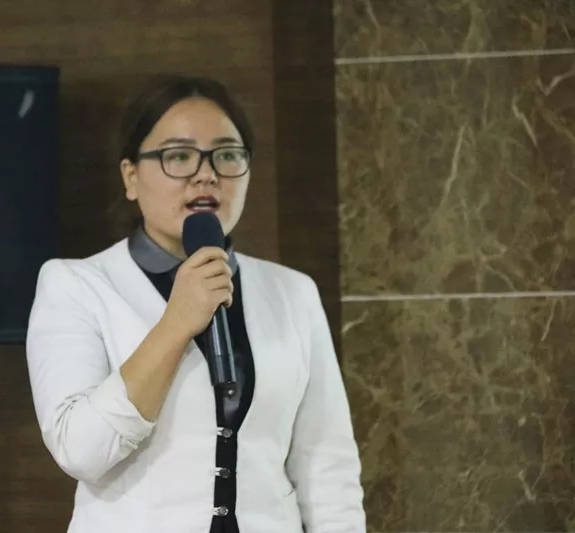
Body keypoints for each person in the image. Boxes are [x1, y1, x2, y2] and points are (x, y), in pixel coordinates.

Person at [25, 74, 366, 533]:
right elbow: (80, 450)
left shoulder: (293, 291)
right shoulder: (77, 285)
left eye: (227, 155)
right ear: (131, 176)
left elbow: (327, 466)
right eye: (179, 156)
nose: (207, 174)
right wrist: (176, 323)